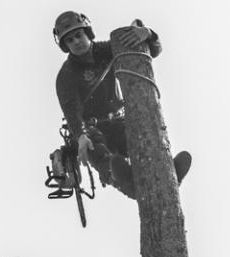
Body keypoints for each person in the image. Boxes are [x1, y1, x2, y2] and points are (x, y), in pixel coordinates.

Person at [51, 10, 191, 199]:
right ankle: (125, 182)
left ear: (88, 33)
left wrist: (148, 33)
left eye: (78, 35)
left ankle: (169, 173)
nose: (76, 42)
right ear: (65, 46)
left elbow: (151, 51)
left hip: (119, 121)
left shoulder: (108, 50)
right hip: (91, 128)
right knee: (98, 150)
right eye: (70, 40)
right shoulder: (67, 75)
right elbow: (71, 110)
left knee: (146, 137)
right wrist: (80, 136)